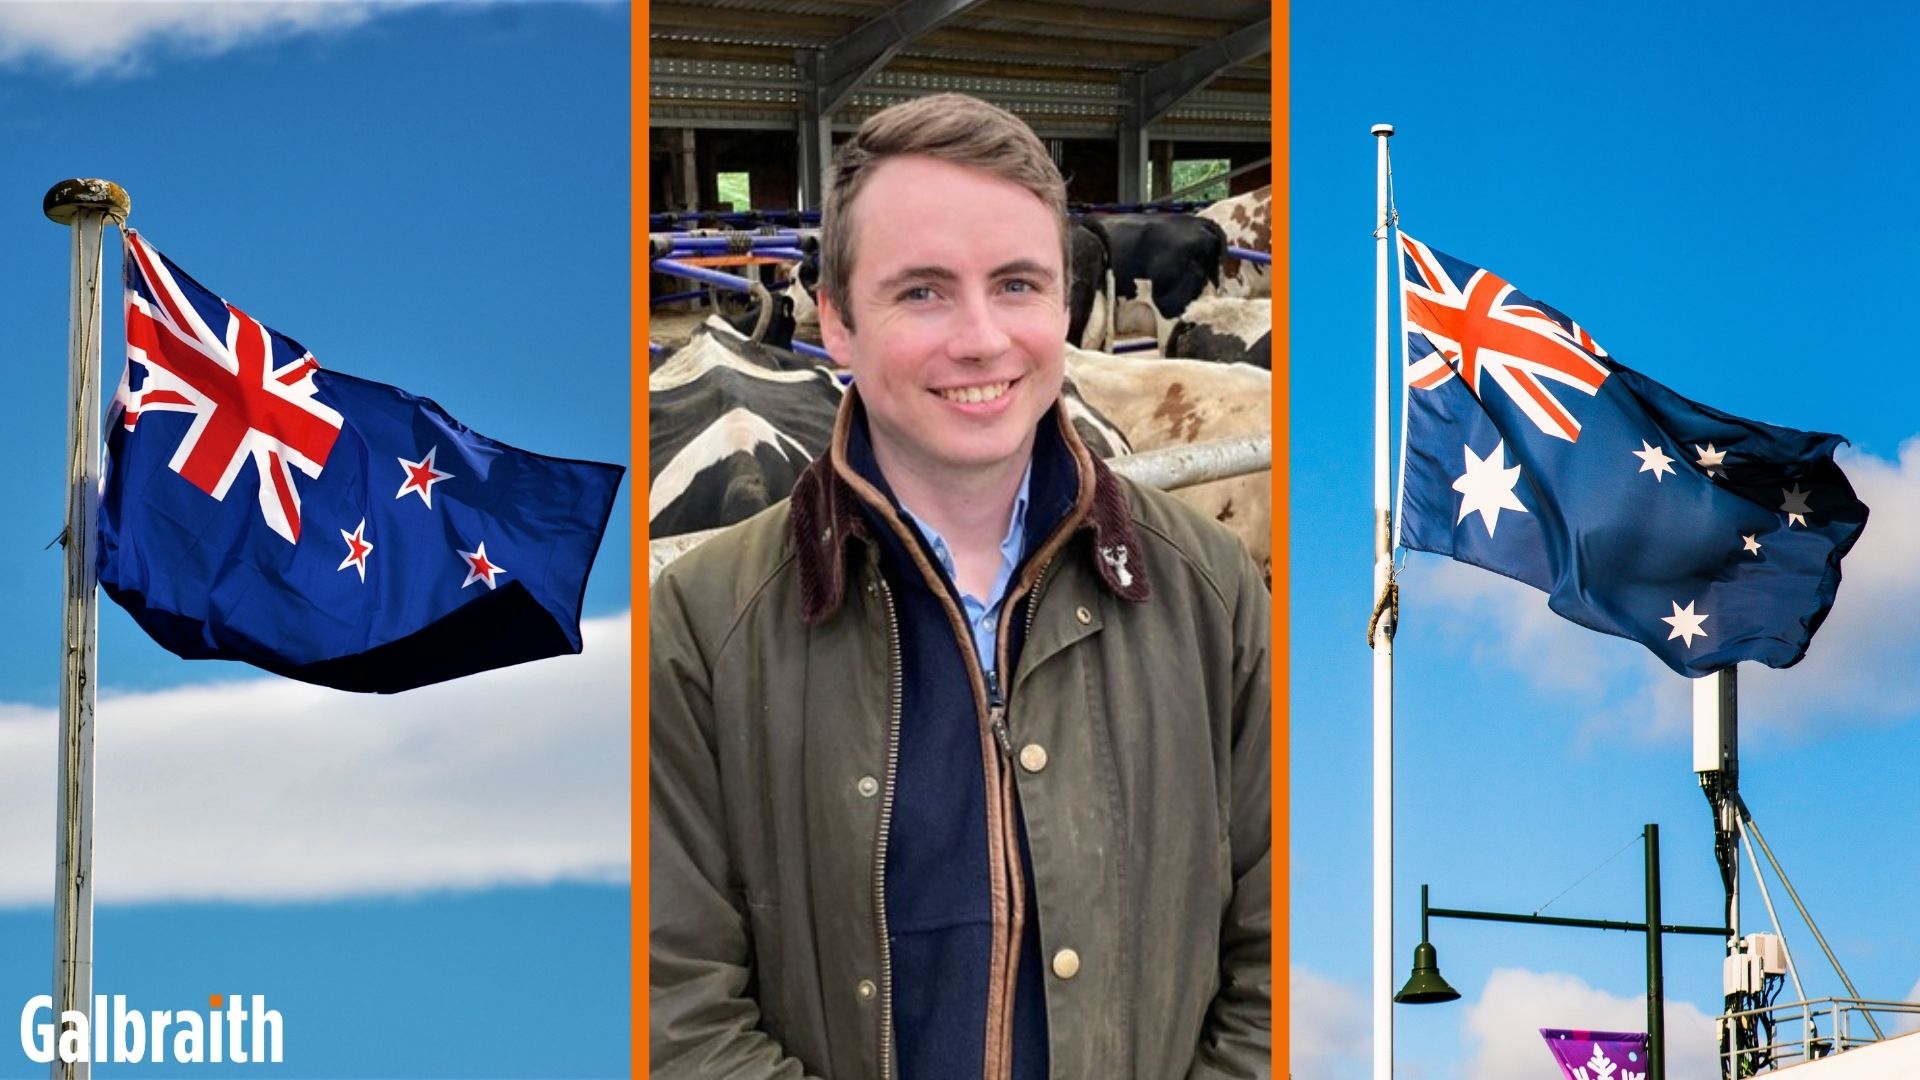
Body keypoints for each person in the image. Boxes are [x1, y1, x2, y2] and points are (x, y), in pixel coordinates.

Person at [650, 92, 1270, 1079]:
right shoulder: (700, 626)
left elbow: (1277, 962)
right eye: (923, 292)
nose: (981, 338)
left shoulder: (1212, 594)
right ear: (837, 320)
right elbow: (673, 1006)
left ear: (1065, 306)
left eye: (1018, 285)